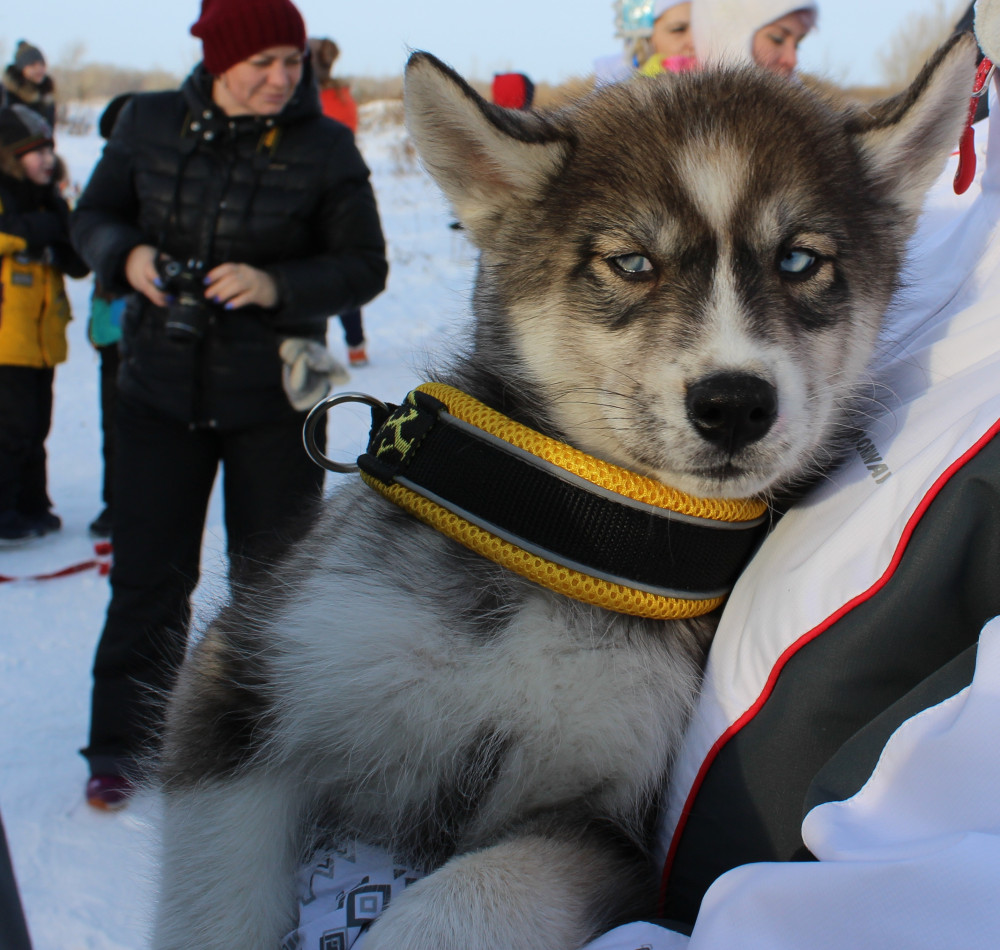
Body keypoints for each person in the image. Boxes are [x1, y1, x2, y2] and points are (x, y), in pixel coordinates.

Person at [71, 0, 387, 809]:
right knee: (148, 574)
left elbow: (363, 267)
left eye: (295, 61)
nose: (284, 78)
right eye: (265, 64)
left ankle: (260, 742)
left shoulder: (326, 146)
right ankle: (123, 740)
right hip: (155, 390)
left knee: (274, 580)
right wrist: (128, 253)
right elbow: (92, 218)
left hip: (275, 398)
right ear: (218, 60)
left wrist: (275, 283)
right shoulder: (144, 124)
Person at [0, 104, 87, 544]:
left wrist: (61, 234)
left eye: (49, 149)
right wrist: (39, 229)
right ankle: (5, 509)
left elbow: (76, 260)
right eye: (35, 152)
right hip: (7, 336)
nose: (46, 159)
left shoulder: (52, 199)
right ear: (12, 156)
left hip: (42, 337)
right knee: (10, 427)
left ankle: (33, 502)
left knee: (36, 425)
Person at [84, 94, 133, 540]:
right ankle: (115, 504)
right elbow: (86, 238)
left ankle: (123, 504)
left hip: (142, 332)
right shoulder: (111, 185)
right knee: (115, 421)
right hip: (113, 327)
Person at [308, 36, 370, 367]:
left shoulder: (312, 100)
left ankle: (312, 345)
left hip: (314, 195)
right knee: (340, 268)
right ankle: (356, 345)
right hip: (342, 192)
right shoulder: (342, 96)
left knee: (312, 270)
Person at [690, 0, 818, 78]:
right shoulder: (673, 116)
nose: (792, 60)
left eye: (797, 45)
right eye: (777, 39)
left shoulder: (815, 113)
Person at [596, 1, 695, 84]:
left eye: (701, 30)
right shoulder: (610, 78)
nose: (693, 42)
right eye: (678, 29)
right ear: (645, 38)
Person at [1, 42, 56, 127]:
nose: (39, 69)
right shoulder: (5, 96)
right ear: (21, 68)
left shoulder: (46, 100)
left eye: (42, 64)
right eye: (32, 65)